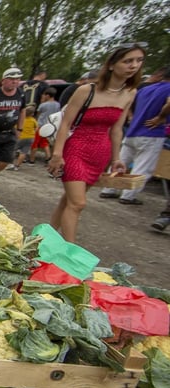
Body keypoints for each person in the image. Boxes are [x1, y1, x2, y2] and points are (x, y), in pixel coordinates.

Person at [47, 43, 145, 242]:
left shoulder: (130, 93)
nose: (133, 66)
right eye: (127, 61)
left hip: (100, 152)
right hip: (75, 148)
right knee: (78, 203)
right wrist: (57, 154)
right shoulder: (86, 91)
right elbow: (66, 124)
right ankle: (69, 253)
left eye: (138, 61)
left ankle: (42, 238)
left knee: (69, 200)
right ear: (111, 65)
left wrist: (117, 158)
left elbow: (117, 129)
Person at [98, 65, 170, 204]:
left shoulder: (145, 89)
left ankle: (108, 189)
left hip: (132, 131)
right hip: (152, 133)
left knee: (121, 161)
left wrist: (131, 117)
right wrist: (161, 117)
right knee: (143, 166)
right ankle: (128, 195)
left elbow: (128, 103)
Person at [31, 87, 60, 163]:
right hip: (50, 126)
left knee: (35, 143)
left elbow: (38, 114)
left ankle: (32, 159)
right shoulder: (58, 104)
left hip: (40, 125)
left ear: (47, 95)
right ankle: (48, 157)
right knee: (45, 143)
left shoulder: (43, 105)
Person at [10, 105, 37, 170]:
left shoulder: (20, 119)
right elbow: (36, 128)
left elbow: (15, 127)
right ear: (32, 114)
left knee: (13, 150)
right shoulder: (33, 120)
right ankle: (17, 166)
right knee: (24, 152)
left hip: (20, 137)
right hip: (30, 137)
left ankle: (10, 163)